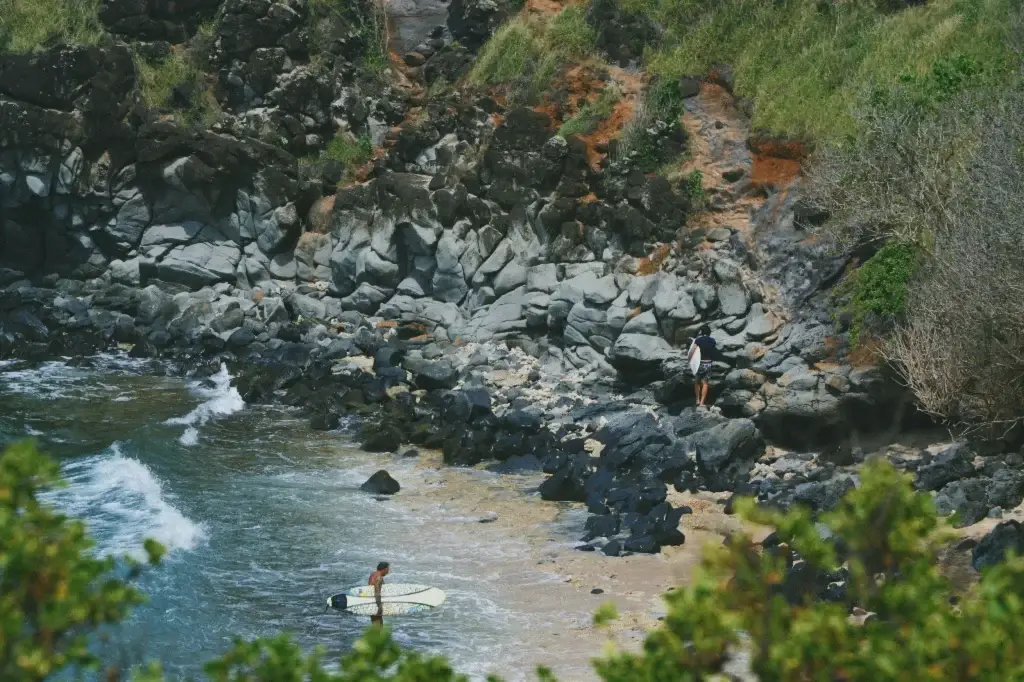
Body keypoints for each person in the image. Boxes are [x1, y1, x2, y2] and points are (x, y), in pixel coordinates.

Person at [688, 325, 716, 408]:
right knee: (705, 383)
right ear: (709, 332)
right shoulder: (713, 340)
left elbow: (693, 350)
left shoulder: (698, 340)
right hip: (709, 363)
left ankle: (697, 400)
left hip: (700, 363)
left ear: (702, 332)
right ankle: (702, 403)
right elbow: (712, 350)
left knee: (697, 382)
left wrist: (689, 359)